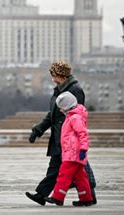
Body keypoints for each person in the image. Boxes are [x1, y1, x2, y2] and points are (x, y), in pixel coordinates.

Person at [25, 60, 96, 206]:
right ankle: (41, 195)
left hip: (70, 139)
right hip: (61, 137)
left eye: (54, 75)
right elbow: (52, 115)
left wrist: (76, 142)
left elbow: (78, 114)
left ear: (62, 75)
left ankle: (88, 196)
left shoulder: (74, 90)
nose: (52, 79)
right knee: (57, 168)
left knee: (79, 168)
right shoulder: (59, 89)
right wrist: (37, 130)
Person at [44, 91, 94, 207]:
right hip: (73, 153)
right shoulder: (72, 116)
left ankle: (58, 197)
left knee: (64, 175)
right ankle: (86, 198)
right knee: (80, 177)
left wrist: (83, 149)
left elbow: (83, 134)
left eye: (61, 108)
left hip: (73, 153)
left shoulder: (75, 118)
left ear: (67, 106)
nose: (61, 110)